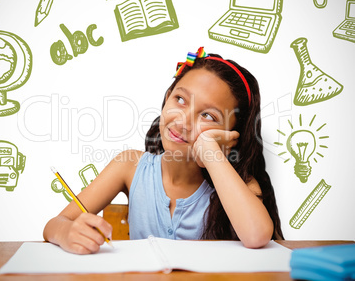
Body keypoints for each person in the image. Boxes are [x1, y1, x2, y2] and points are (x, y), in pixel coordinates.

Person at [43, 47, 284, 255]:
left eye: (208, 115)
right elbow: (54, 224)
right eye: (180, 99)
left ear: (231, 137)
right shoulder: (130, 166)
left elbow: (257, 236)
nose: (183, 121)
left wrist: (211, 153)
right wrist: (67, 232)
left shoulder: (240, 184)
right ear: (167, 98)